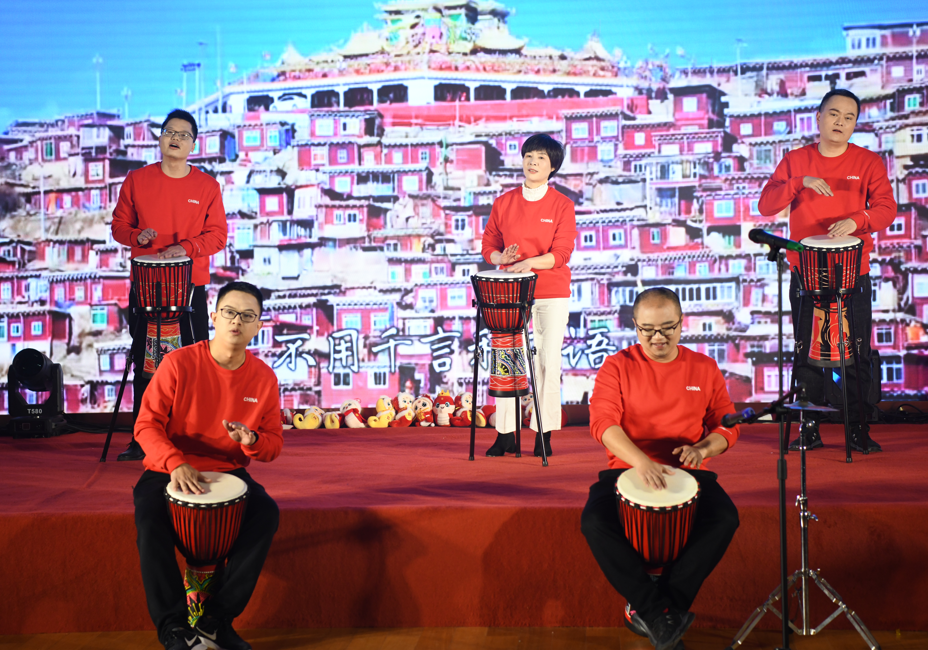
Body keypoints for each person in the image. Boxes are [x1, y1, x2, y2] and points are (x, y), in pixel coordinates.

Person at [580, 288, 740, 650]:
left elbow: (727, 425)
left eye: (668, 327)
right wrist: (641, 461)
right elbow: (603, 423)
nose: (658, 337)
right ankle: (660, 614)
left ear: (682, 324)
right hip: (626, 471)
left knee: (725, 518)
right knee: (593, 522)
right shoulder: (617, 366)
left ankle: (659, 611)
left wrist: (703, 448)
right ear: (635, 326)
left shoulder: (704, 367)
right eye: (648, 329)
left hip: (690, 473)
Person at [133, 281, 282, 650]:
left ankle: (217, 620)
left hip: (228, 471)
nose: (236, 321)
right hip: (166, 470)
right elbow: (146, 425)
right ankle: (173, 628)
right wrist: (175, 462)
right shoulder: (178, 363)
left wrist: (252, 441)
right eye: (229, 312)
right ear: (214, 316)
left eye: (247, 316)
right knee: (149, 521)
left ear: (258, 325)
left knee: (266, 513)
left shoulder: (264, 377)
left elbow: (273, 445)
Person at [758, 89, 896, 452]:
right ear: (818, 117)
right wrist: (798, 183)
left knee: (856, 350)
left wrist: (858, 220)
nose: (840, 122)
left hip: (853, 272)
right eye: (834, 114)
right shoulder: (796, 159)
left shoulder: (868, 162)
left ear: (855, 124)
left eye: (849, 117)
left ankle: (857, 428)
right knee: (808, 352)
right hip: (806, 272)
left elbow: (886, 208)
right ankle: (809, 427)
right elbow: (766, 205)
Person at [112, 108, 228, 461]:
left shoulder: (207, 186)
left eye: (183, 134)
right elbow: (119, 226)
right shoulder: (136, 180)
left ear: (193, 145)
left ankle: (193, 437)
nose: (175, 138)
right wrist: (136, 235)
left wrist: (187, 247)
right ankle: (142, 440)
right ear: (160, 138)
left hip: (189, 287)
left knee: (194, 364)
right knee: (144, 362)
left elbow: (218, 235)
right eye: (169, 132)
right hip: (146, 287)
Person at [480, 133, 577, 457]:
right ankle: (505, 433)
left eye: (541, 158)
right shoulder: (503, 202)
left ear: (553, 167)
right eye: (529, 156)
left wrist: (529, 263)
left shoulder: (562, 205)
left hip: (551, 292)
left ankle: (543, 433)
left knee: (548, 361)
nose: (533, 163)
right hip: (511, 290)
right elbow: (489, 246)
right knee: (508, 359)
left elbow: (561, 254)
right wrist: (501, 258)